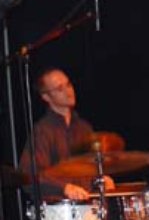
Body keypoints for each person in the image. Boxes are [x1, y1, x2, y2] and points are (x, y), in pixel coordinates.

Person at [19, 67, 115, 200]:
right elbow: (29, 175)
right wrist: (64, 188)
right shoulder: (42, 131)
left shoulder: (84, 128)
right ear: (46, 97)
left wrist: (100, 179)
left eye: (68, 84)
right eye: (60, 88)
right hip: (60, 208)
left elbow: (89, 169)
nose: (68, 91)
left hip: (88, 205)